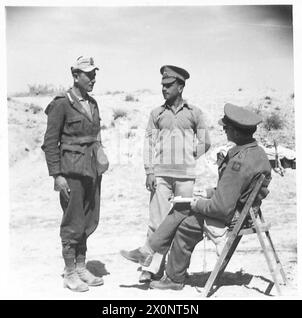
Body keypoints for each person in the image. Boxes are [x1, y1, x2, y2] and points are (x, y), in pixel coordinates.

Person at [120, 103, 272, 290]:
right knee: (183, 209)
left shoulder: (238, 163)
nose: (224, 129)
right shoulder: (256, 153)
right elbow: (237, 190)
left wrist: (195, 203)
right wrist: (207, 193)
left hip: (234, 216)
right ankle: (151, 254)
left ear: (238, 132)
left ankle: (169, 273)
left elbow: (221, 208)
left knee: (184, 215)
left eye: (227, 127)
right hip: (247, 211)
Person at [121, 65, 211, 282]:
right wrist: (149, 171)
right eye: (162, 85)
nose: (164, 89)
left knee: (181, 225)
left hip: (186, 176)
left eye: (169, 85)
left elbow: (206, 141)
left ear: (180, 87)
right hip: (161, 176)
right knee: (157, 223)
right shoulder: (156, 114)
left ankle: (173, 273)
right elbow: (148, 142)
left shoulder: (194, 113)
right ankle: (151, 270)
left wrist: (190, 156)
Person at [41, 56, 109, 292]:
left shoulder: (93, 103)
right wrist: (57, 176)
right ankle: (70, 273)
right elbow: (50, 143)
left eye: (94, 74)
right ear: (75, 75)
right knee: (73, 222)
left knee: (89, 219)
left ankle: (81, 266)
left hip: (91, 171)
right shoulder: (62, 103)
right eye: (88, 75)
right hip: (71, 172)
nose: (93, 79)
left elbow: (96, 135)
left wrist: (101, 158)